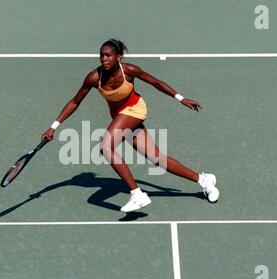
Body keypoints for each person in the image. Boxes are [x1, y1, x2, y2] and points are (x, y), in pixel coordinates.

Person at [41, 39, 219, 213]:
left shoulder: (130, 70)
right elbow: (75, 102)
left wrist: (180, 98)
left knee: (105, 147)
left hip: (135, 109)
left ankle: (137, 194)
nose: (104, 59)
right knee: (156, 158)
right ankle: (203, 180)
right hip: (120, 116)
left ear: (119, 57)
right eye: (101, 55)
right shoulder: (94, 77)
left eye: (109, 55)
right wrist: (53, 126)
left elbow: (156, 83)